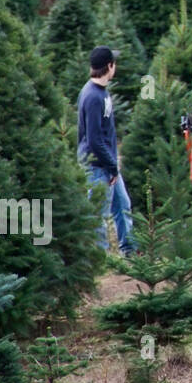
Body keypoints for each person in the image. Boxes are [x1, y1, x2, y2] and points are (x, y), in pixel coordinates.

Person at [77, 45, 136, 255]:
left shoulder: (102, 92)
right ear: (109, 66)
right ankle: (100, 259)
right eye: (114, 63)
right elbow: (93, 140)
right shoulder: (92, 96)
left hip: (108, 164)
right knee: (99, 213)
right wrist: (111, 167)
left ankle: (129, 250)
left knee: (123, 205)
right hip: (97, 165)